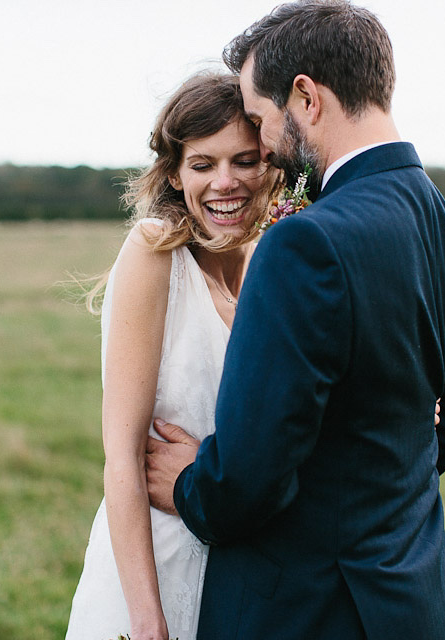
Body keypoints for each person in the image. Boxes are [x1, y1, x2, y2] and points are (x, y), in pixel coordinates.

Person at [144, 1, 445, 639]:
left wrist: (192, 484)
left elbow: (247, 479)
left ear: (305, 97)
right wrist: (366, 485)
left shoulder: (306, 244)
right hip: (418, 602)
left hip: (307, 612)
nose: (265, 147)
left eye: (258, 118)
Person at [64, 73, 278, 640]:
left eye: (245, 160)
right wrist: (147, 621)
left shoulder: (272, 262)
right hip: (156, 561)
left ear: (272, 165)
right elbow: (122, 458)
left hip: (240, 562)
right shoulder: (155, 250)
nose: (224, 183)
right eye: (202, 164)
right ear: (177, 174)